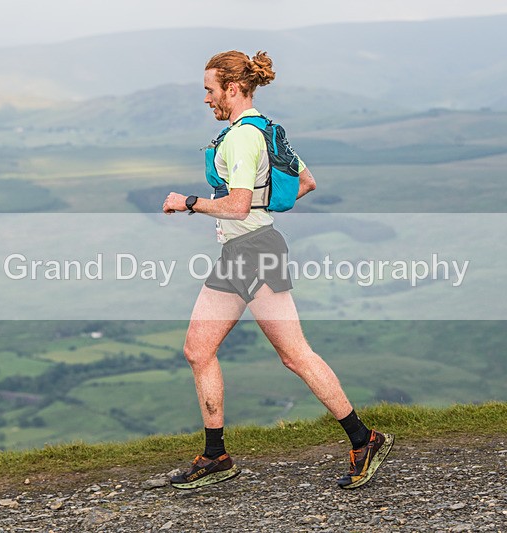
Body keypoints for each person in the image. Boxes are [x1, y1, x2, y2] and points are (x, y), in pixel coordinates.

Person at [162, 50, 393, 490]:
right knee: (198, 349)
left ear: (232, 89)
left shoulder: (240, 139)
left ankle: (365, 439)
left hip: (253, 252)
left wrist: (188, 201)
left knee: (295, 354)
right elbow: (305, 182)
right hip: (246, 249)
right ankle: (216, 456)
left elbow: (237, 204)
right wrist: (258, 217)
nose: (206, 99)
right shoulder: (266, 129)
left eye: (210, 90)